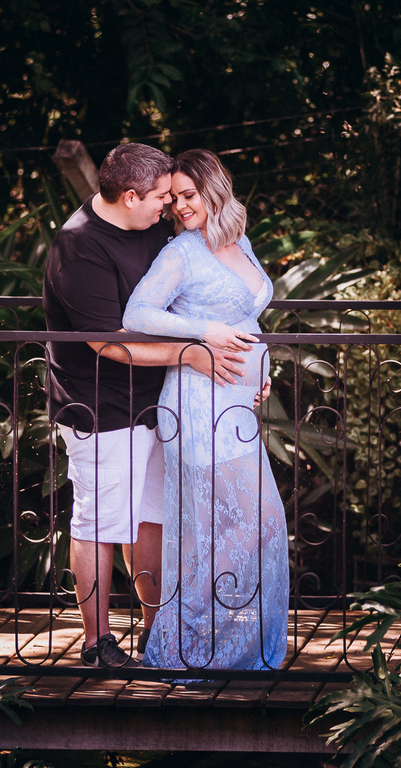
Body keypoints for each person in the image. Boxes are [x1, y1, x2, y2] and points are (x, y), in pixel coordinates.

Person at [43, 143, 247, 669]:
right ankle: (96, 643)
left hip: (156, 399)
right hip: (97, 405)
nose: (169, 207)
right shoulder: (78, 246)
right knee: (100, 521)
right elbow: (107, 343)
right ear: (130, 196)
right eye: (160, 197)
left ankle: (155, 628)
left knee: (151, 518)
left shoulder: (153, 227)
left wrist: (246, 369)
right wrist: (194, 355)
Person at [123, 149, 289, 672]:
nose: (180, 208)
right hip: (197, 403)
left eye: (189, 197)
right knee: (236, 526)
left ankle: (225, 648)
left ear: (215, 189)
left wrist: (261, 373)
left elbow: (248, 313)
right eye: (174, 200)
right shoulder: (180, 252)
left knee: (248, 526)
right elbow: (136, 314)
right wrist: (203, 332)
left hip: (238, 406)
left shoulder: (239, 240)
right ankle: (187, 648)